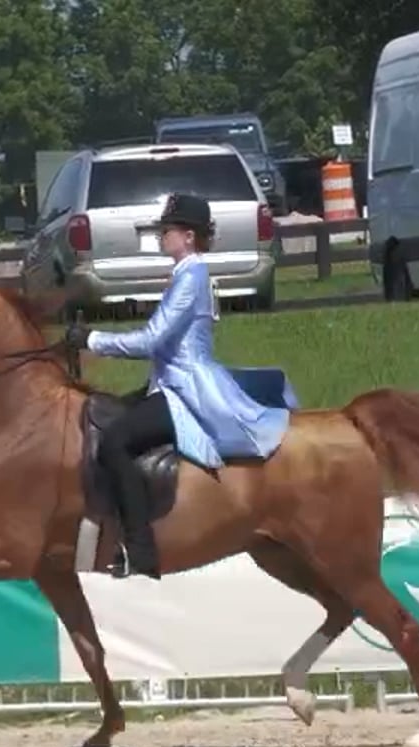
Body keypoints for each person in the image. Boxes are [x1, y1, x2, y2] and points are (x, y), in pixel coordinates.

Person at [64, 192, 290, 579]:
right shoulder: (186, 273)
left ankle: (141, 550)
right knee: (107, 415)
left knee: (116, 441)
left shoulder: (192, 276)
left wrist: (92, 340)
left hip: (186, 390)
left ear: (188, 236)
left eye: (166, 231)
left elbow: (153, 339)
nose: (160, 237)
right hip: (168, 383)